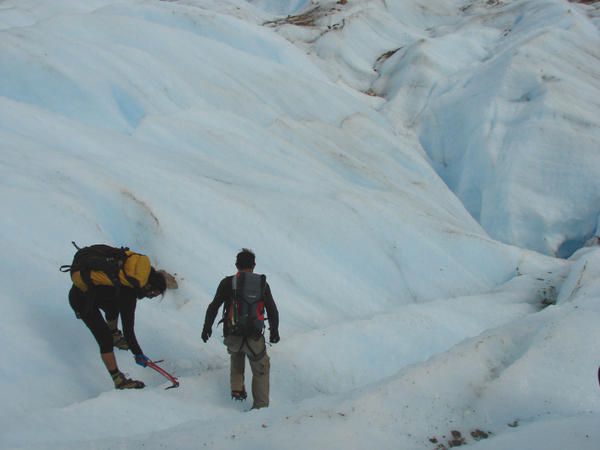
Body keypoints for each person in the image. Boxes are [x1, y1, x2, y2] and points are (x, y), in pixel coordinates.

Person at [68, 258, 167, 390]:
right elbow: (128, 330)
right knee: (105, 340)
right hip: (82, 301)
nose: (150, 297)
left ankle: (114, 335)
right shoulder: (129, 294)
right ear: (147, 285)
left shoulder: (130, 277)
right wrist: (138, 353)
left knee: (113, 307)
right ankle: (118, 380)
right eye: (152, 294)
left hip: (89, 295)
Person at [202, 249, 279, 409]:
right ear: (254, 265)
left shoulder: (227, 283)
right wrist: (274, 332)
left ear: (236, 265)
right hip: (254, 337)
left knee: (237, 353)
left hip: (232, 335)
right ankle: (261, 406)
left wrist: (207, 327)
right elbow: (272, 310)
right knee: (261, 368)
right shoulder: (262, 284)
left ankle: (237, 387)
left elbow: (213, 306)